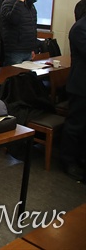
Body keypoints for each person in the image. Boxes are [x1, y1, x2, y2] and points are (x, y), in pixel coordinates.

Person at [60, 10, 86, 181]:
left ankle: (81, 159)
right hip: (81, 85)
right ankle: (68, 162)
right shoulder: (80, 28)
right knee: (75, 125)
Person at [0, 0, 39, 66]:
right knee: (14, 77)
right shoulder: (8, 3)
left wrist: (33, 48)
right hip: (14, 50)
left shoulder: (30, 4)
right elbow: (13, 20)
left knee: (26, 78)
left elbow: (32, 26)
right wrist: (20, 0)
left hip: (28, 49)